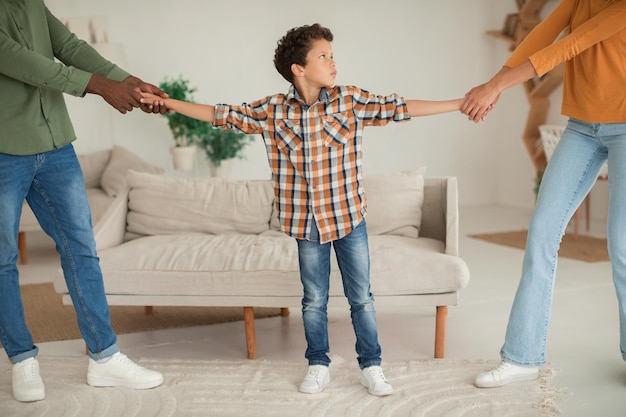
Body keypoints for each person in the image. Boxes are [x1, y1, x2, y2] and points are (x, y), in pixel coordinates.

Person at [141, 23, 463, 396]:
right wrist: (168, 103)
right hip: (305, 224)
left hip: (349, 218)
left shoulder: (350, 100)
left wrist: (460, 102)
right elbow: (221, 114)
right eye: (323, 56)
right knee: (314, 300)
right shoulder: (273, 111)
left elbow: (401, 107)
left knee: (362, 298)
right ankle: (318, 363)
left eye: (332, 54)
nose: (333, 62)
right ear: (299, 68)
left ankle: (371, 365)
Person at [0, 0, 169, 402]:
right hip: (4, 150)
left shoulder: (33, 5)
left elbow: (71, 47)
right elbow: (24, 62)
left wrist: (127, 80)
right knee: (3, 259)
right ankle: (22, 359)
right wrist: (99, 86)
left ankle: (104, 357)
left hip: (56, 145)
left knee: (81, 249)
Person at [460, 0, 626, 387]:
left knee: (621, 245)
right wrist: (494, 85)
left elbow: (572, 44)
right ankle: (522, 356)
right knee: (541, 231)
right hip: (583, 127)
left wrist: (494, 86)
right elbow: (540, 37)